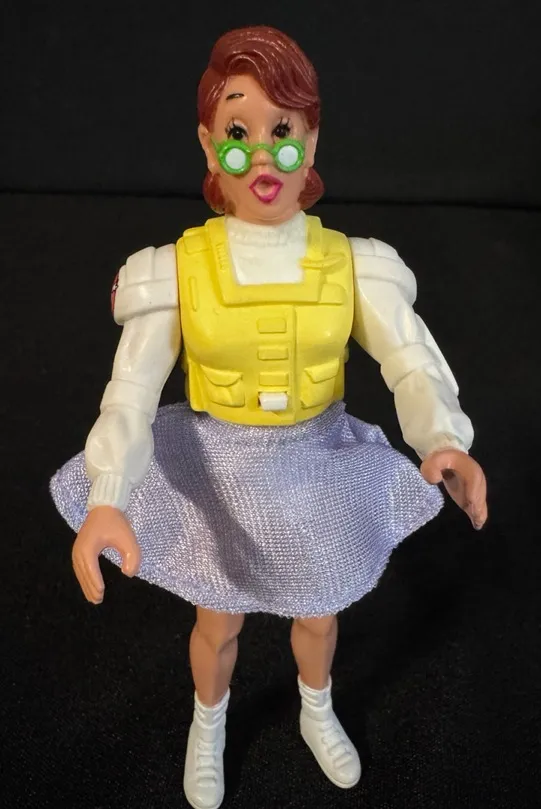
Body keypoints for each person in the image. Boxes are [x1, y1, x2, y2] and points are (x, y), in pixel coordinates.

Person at [50, 25, 487, 809]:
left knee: (318, 612)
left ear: (311, 140)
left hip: (316, 459)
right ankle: (208, 721)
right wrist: (108, 493)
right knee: (217, 621)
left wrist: (443, 437)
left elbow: (409, 360)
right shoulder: (177, 270)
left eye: (281, 130)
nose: (261, 155)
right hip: (220, 464)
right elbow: (131, 392)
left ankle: (315, 707)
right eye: (238, 131)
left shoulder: (352, 264)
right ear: (207, 143)